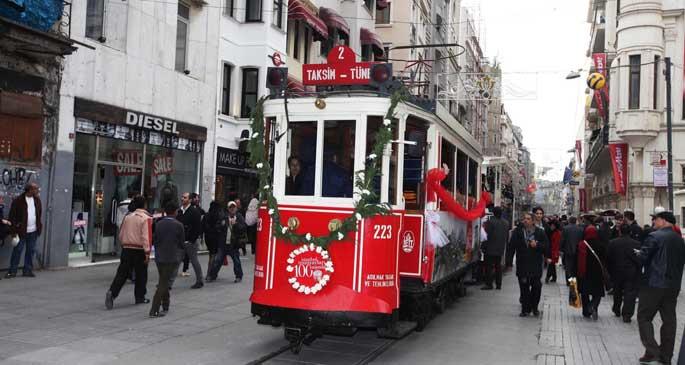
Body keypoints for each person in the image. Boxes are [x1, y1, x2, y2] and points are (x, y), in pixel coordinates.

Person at [636, 210, 685, 365]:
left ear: (663, 221)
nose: (653, 222)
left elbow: (643, 258)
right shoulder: (679, 239)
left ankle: (653, 351)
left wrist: (637, 255)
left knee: (644, 317)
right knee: (669, 320)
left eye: (655, 219)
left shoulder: (654, 236)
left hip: (654, 284)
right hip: (673, 286)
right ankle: (666, 356)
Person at [105, 195, 151, 309]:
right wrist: (147, 252)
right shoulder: (146, 218)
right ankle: (140, 297)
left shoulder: (128, 217)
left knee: (122, 273)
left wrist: (124, 244)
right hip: (139, 250)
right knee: (141, 274)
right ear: (145, 204)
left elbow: (121, 234)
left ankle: (112, 292)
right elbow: (146, 237)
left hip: (126, 249)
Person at [506, 212, 548, 317]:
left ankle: (534, 307)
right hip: (522, 265)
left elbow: (547, 247)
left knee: (536, 287)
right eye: (524, 218)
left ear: (533, 221)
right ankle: (525, 309)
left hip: (535, 265)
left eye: (528, 219)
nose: (526, 220)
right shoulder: (518, 232)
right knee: (524, 288)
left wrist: (537, 245)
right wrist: (509, 262)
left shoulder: (540, 232)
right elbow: (511, 247)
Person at [149, 202, 184, 317]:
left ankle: (166, 304)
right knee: (163, 283)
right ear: (175, 212)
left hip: (159, 256)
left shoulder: (159, 224)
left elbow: (155, 239)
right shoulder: (179, 225)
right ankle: (154, 309)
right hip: (171, 257)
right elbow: (181, 243)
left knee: (163, 280)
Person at [6, 183, 42, 278]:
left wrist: (39, 226)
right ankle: (12, 271)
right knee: (17, 251)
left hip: (33, 230)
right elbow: (12, 217)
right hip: (21, 231)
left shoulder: (37, 200)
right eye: (35, 189)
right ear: (29, 190)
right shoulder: (18, 201)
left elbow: (39, 214)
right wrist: (13, 232)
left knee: (30, 251)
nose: (37, 190)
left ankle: (27, 270)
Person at [606, 223, 641, 323]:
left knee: (617, 290)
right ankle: (627, 314)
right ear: (630, 232)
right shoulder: (636, 244)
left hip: (617, 271)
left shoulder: (613, 243)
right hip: (631, 271)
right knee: (630, 293)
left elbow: (608, 258)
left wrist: (609, 271)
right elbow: (639, 259)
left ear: (619, 231)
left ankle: (617, 309)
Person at [206, 201, 245, 283]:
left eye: (234, 207)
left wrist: (236, 224)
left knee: (236, 261)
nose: (232, 209)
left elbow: (243, 229)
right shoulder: (223, 217)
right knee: (218, 261)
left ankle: (239, 276)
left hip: (233, 244)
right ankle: (212, 275)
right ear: (228, 209)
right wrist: (221, 225)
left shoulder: (239, 217)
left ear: (236, 208)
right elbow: (217, 227)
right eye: (230, 207)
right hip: (223, 244)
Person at [576, 225, 607, 320]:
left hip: (584, 273)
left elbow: (576, 259)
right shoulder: (601, 245)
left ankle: (586, 311)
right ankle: (593, 305)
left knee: (584, 292)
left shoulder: (581, 244)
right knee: (597, 293)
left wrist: (573, 273)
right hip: (597, 273)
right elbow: (605, 259)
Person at [175, 192, 204, 289]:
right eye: (182, 197)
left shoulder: (194, 212)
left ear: (190, 200)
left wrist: (191, 240)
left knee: (194, 261)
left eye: (185, 197)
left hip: (190, 242)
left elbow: (197, 227)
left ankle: (200, 281)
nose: (182, 199)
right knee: (176, 262)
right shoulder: (180, 211)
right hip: (181, 241)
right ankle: (167, 283)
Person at [481, 206, 509, 290]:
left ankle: (489, 284)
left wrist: (483, 246)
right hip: (500, 248)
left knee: (489, 267)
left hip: (490, 248)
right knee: (498, 266)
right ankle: (498, 284)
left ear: (493, 213)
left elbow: (487, 235)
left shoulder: (490, 222)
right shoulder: (506, 223)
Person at [202, 201, 227, 270]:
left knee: (211, 254)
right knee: (214, 255)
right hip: (216, 237)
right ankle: (210, 272)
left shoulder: (206, 215)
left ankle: (210, 271)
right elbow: (222, 226)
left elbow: (203, 226)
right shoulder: (219, 215)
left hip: (208, 237)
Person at [560, 216, 584, 284]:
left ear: (569, 221)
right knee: (576, 266)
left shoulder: (565, 228)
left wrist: (561, 249)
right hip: (578, 251)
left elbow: (562, 240)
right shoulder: (580, 229)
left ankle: (569, 281)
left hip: (568, 250)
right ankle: (575, 279)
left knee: (568, 267)